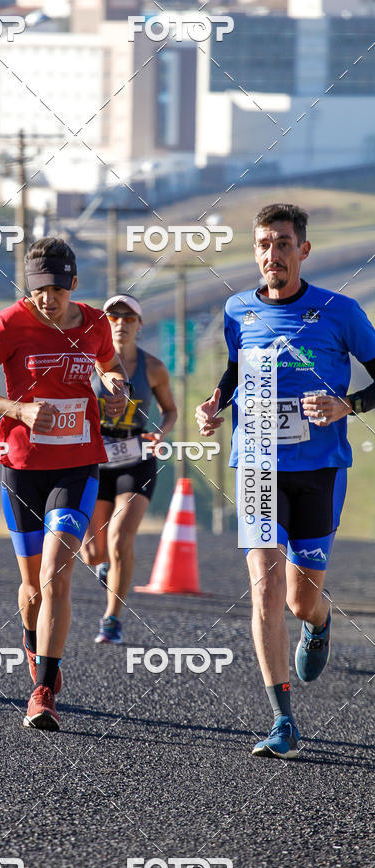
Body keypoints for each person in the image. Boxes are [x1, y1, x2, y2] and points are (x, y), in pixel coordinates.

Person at [195, 203, 375, 759]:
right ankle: (282, 719)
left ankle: (318, 624)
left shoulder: (341, 312)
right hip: (254, 466)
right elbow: (235, 366)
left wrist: (346, 404)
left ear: (303, 250)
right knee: (267, 586)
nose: (271, 254)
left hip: (320, 471)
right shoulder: (236, 308)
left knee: (301, 600)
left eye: (282, 243)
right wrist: (215, 405)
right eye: (263, 244)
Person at [0, 237, 129, 731]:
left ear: (73, 285)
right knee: (32, 584)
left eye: (56, 289)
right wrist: (19, 410)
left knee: (58, 573)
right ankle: (33, 646)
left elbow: (111, 367)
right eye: (38, 290)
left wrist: (116, 389)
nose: (47, 299)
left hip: (77, 466)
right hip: (21, 467)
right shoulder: (10, 323)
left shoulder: (96, 324)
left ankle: (42, 691)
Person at [80, 294, 177, 644]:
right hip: (94, 458)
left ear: (139, 324)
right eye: (113, 317)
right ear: (104, 323)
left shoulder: (152, 367)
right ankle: (105, 566)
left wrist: (161, 433)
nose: (120, 323)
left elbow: (170, 410)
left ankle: (112, 618)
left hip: (136, 457)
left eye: (128, 317)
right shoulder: (88, 363)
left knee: (121, 536)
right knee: (93, 552)